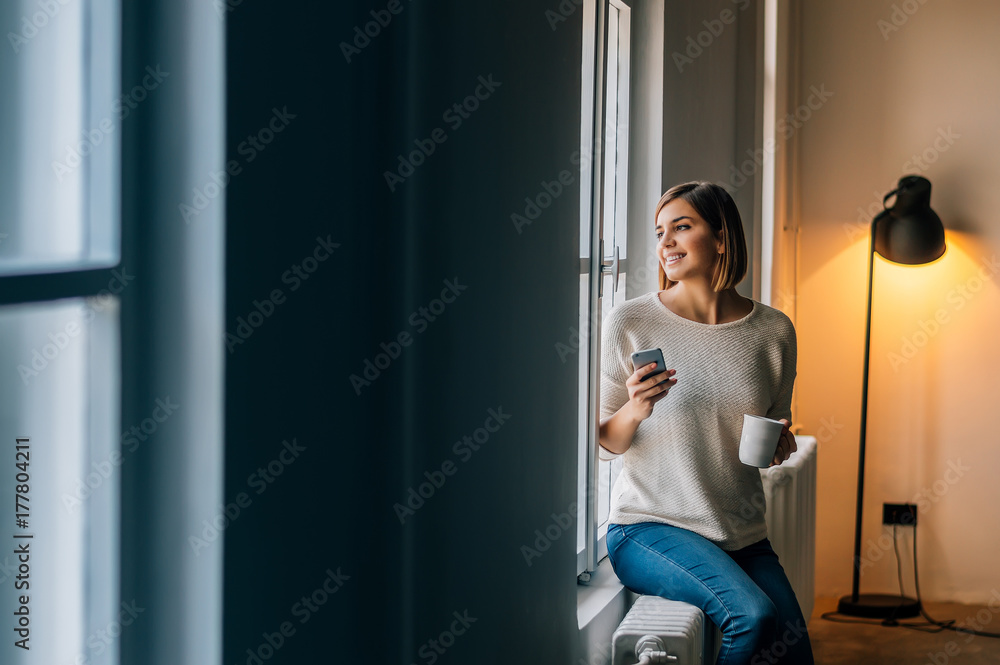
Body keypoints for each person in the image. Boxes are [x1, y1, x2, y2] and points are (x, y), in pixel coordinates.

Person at [599, 181, 815, 665]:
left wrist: (782, 445)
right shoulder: (630, 321)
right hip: (648, 529)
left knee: (796, 657)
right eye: (661, 232)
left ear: (721, 237)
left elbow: (775, 432)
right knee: (752, 617)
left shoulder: (774, 331)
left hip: (739, 533)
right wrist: (636, 408)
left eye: (682, 227)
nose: (666, 243)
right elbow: (599, 442)